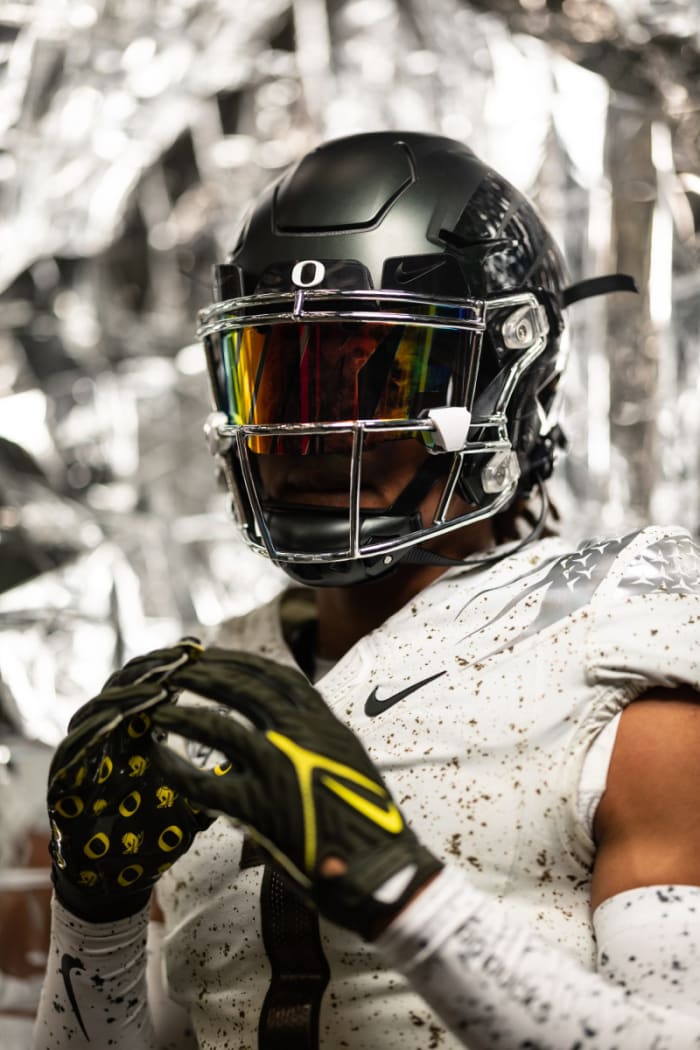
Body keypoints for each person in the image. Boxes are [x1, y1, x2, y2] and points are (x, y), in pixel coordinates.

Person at [32, 131, 700, 1050]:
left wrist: (395, 886)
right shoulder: (215, 685)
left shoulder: (613, 645)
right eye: (281, 378)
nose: (312, 438)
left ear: (508, 382)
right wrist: (92, 921)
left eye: (382, 378)